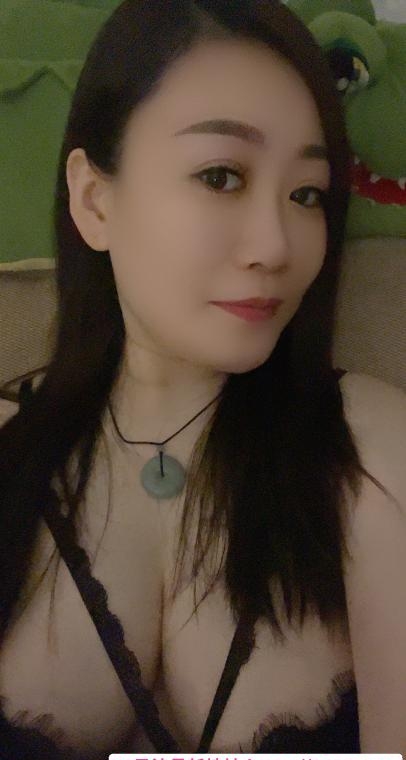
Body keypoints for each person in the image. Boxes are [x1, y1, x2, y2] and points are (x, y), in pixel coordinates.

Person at [0, 0, 405, 757]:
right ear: (94, 200)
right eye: (221, 176)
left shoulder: (375, 455)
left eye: (307, 194)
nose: (275, 245)